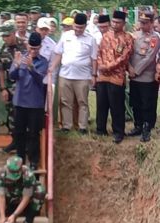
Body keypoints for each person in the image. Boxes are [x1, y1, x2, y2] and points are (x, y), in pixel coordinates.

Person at [51, 13, 98, 134]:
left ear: (85, 26)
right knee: (65, 102)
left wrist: (93, 75)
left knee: (82, 102)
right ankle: (67, 126)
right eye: (76, 27)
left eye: (81, 28)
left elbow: (94, 59)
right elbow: (58, 53)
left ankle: (82, 126)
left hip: (83, 76)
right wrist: (51, 68)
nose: (78, 30)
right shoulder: (66, 36)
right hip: (65, 75)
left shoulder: (90, 39)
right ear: (73, 25)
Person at [9, 32, 48, 170]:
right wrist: (17, 65)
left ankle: (33, 160)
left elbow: (40, 79)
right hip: (20, 102)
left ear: (40, 47)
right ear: (27, 46)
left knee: (33, 133)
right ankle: (20, 158)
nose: (33, 51)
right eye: (31, 48)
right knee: (19, 132)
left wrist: (31, 67)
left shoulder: (43, 61)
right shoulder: (20, 57)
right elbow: (12, 76)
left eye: (36, 49)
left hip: (35, 104)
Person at [96, 11, 133, 143]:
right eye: (114, 22)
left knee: (116, 106)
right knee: (101, 104)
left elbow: (124, 58)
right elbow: (99, 52)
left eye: (118, 22)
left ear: (123, 23)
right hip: (102, 77)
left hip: (117, 77)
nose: (115, 24)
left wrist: (108, 66)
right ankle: (100, 129)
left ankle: (118, 132)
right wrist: (100, 65)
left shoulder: (128, 38)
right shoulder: (105, 36)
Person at [127, 11, 160, 142]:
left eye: (145, 23)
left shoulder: (155, 38)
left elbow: (150, 57)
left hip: (146, 77)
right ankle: (137, 126)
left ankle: (147, 128)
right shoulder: (134, 36)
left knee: (147, 104)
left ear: (152, 23)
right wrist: (129, 68)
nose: (142, 25)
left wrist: (136, 70)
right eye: (141, 22)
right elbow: (128, 53)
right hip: (133, 76)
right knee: (135, 103)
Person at [0, 156, 45, 223]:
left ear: (21, 169)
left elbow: (26, 198)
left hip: (24, 195)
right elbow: (1, 196)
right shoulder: (2, 174)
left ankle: (29, 218)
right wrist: (2, 216)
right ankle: (8, 215)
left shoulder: (28, 175)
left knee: (40, 191)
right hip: (11, 193)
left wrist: (15, 215)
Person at [0, 23, 27, 153]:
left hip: (24, 87)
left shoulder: (25, 46)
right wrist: (3, 88)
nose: (5, 39)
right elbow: (0, 70)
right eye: (3, 36)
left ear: (14, 33)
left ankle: (25, 143)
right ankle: (14, 141)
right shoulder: (2, 50)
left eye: (7, 36)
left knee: (23, 115)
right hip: (10, 87)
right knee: (11, 115)